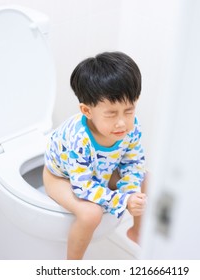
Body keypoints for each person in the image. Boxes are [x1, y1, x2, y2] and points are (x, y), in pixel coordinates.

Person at [43, 51, 147, 260]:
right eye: (111, 114)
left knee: (147, 179)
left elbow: (133, 162)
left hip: (101, 169)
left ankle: (137, 232)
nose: (122, 122)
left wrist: (131, 192)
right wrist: (122, 200)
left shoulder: (130, 127)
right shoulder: (79, 139)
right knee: (91, 214)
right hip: (61, 177)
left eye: (129, 110)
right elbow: (82, 186)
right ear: (87, 111)